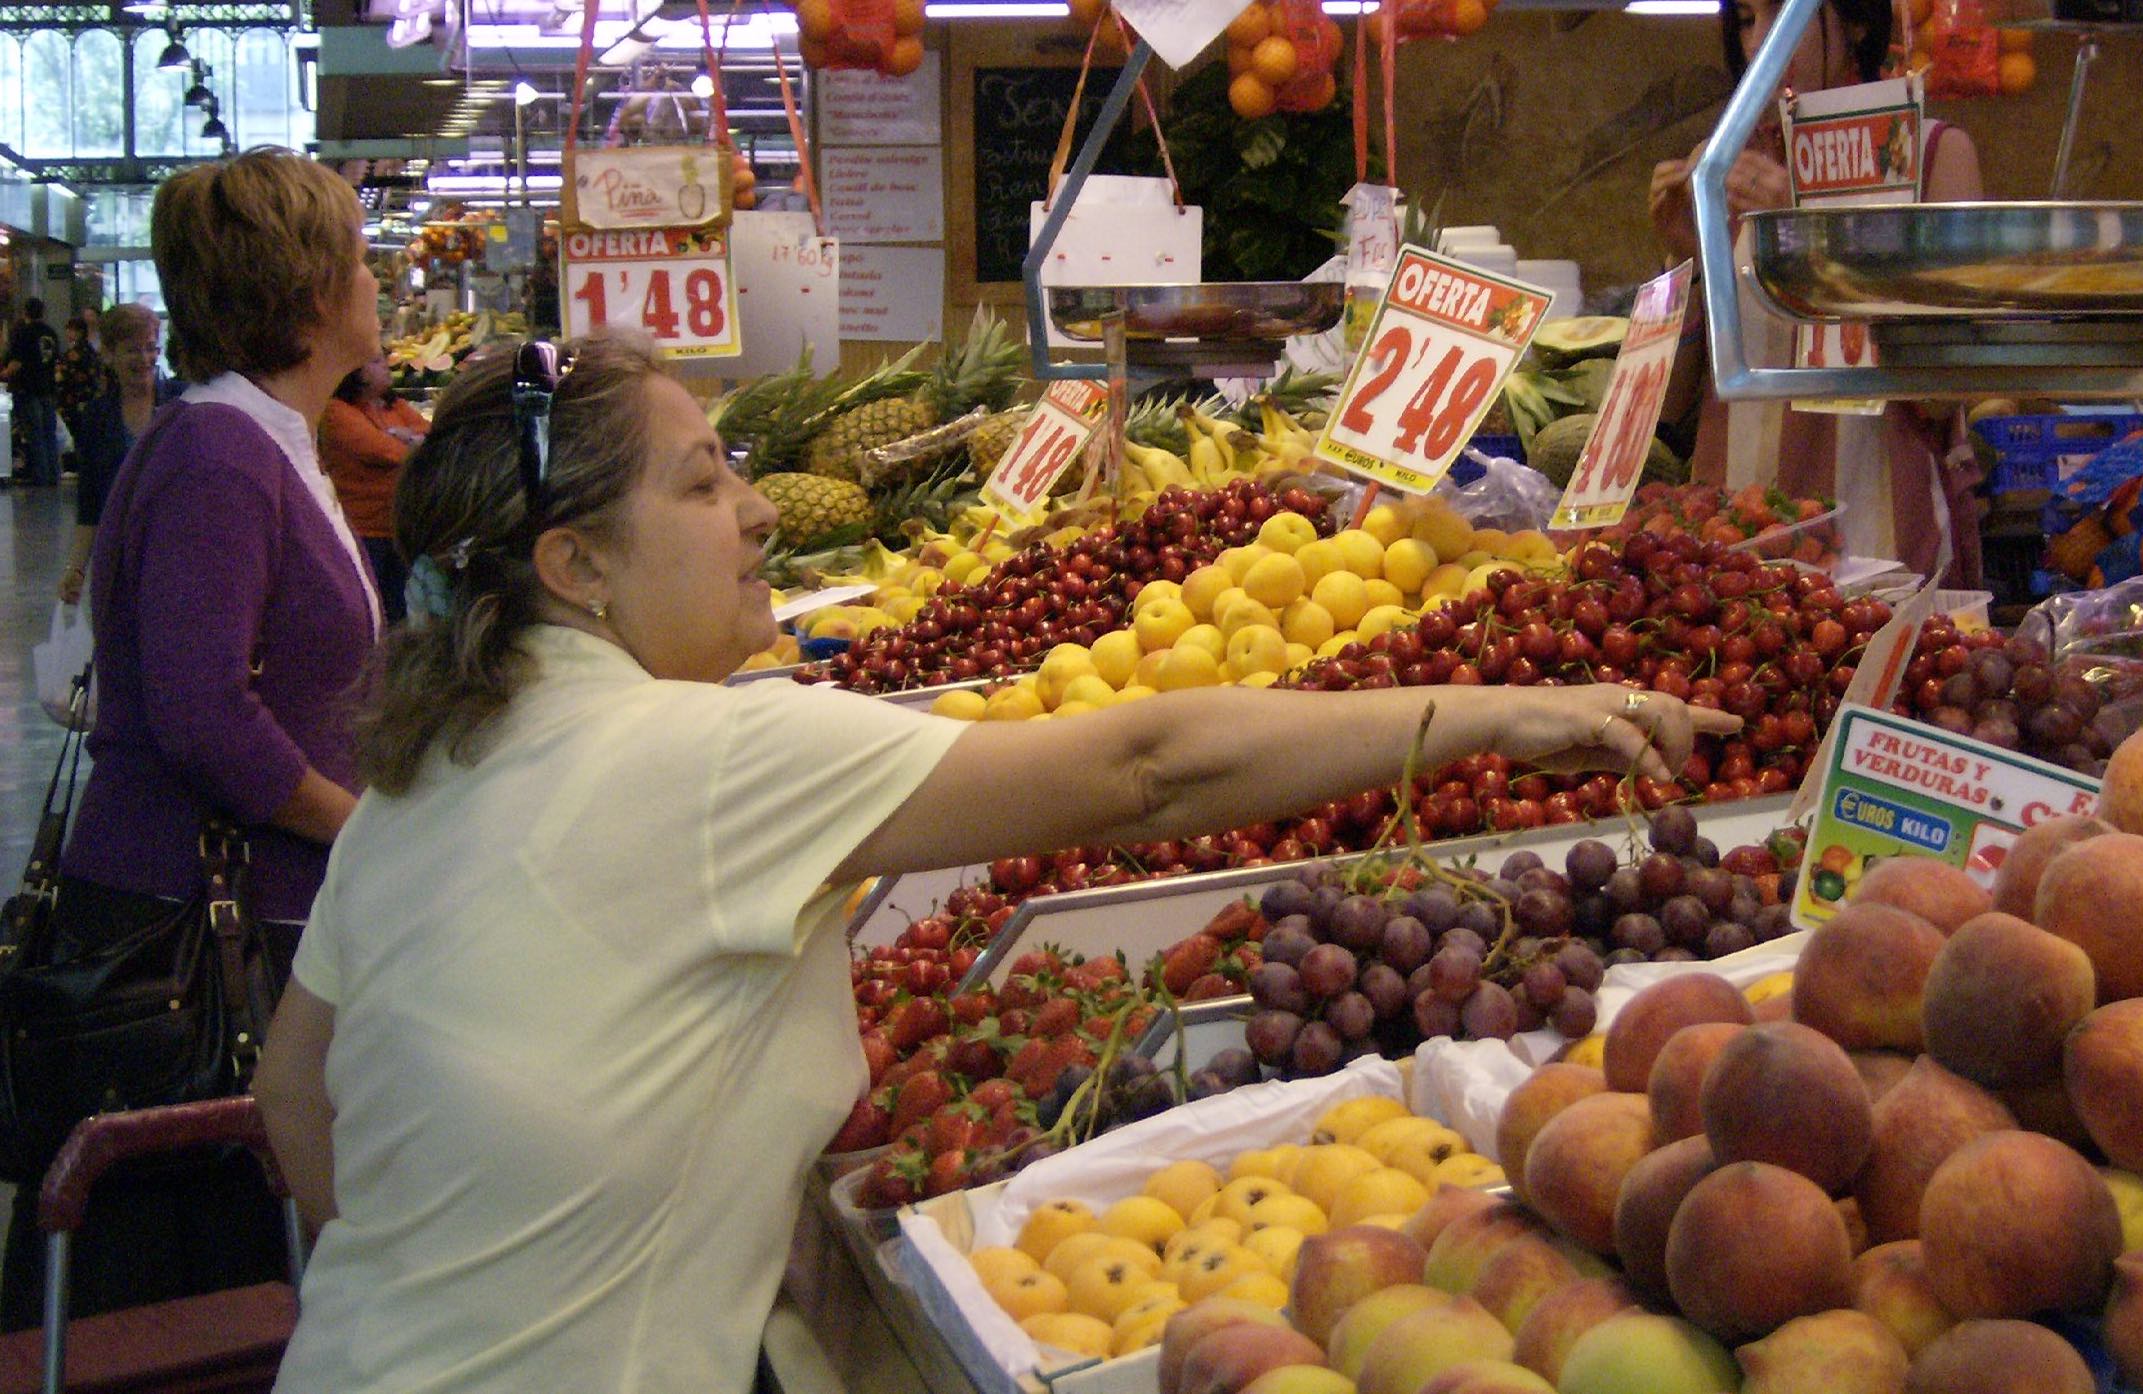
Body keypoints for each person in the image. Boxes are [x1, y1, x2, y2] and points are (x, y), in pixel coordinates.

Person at [251, 332, 1740, 1392]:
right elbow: (1150, 768)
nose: (758, 509)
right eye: (702, 484)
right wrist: (1517, 713)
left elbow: (293, 1109)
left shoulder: (417, 781)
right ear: (574, 567)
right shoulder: (702, 762)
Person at [2, 148, 387, 1331]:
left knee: (215, 1254)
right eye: (364, 261)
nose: (379, 285)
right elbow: (203, 711)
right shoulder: (222, 457)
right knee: (187, 1269)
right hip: (189, 926)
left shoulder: (266, 440)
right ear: (316, 295)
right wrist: (364, 825)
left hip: (234, 906)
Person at [1650, 0, 1985, 583]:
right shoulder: (1728, 173)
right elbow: (1671, 407)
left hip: (1883, 556)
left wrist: (1813, 241)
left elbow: (1947, 389)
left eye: (1782, 16)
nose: (1759, 43)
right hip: (1736, 558)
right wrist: (1683, 261)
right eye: (1745, 22)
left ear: (1856, 21)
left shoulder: (1931, 156)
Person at [57, 304, 171, 606]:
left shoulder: (181, 403)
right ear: (109, 354)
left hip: (175, 554)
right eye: (133, 350)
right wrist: (77, 569)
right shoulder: (97, 417)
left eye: (150, 348)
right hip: (119, 561)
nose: (145, 359)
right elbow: (91, 501)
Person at [321, 354, 429, 622]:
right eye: (378, 362)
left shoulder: (394, 405)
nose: (388, 367)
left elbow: (434, 435)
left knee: (402, 610)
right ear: (355, 372)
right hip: (364, 531)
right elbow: (385, 452)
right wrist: (407, 440)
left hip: (399, 527)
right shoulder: (337, 412)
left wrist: (406, 437)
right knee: (374, 612)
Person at [1, 297, 62, 486]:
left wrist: (3, 374)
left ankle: (40, 476)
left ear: (25, 312)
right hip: (48, 387)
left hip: (28, 388)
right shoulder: (51, 333)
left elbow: (16, 363)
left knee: (35, 434)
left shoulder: (23, 333)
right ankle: (54, 474)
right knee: (49, 433)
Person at [55, 313, 104, 479]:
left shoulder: (73, 354)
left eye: (70, 330)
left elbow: (63, 376)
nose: (68, 334)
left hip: (73, 399)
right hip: (89, 398)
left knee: (74, 435)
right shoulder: (91, 352)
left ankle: (74, 466)